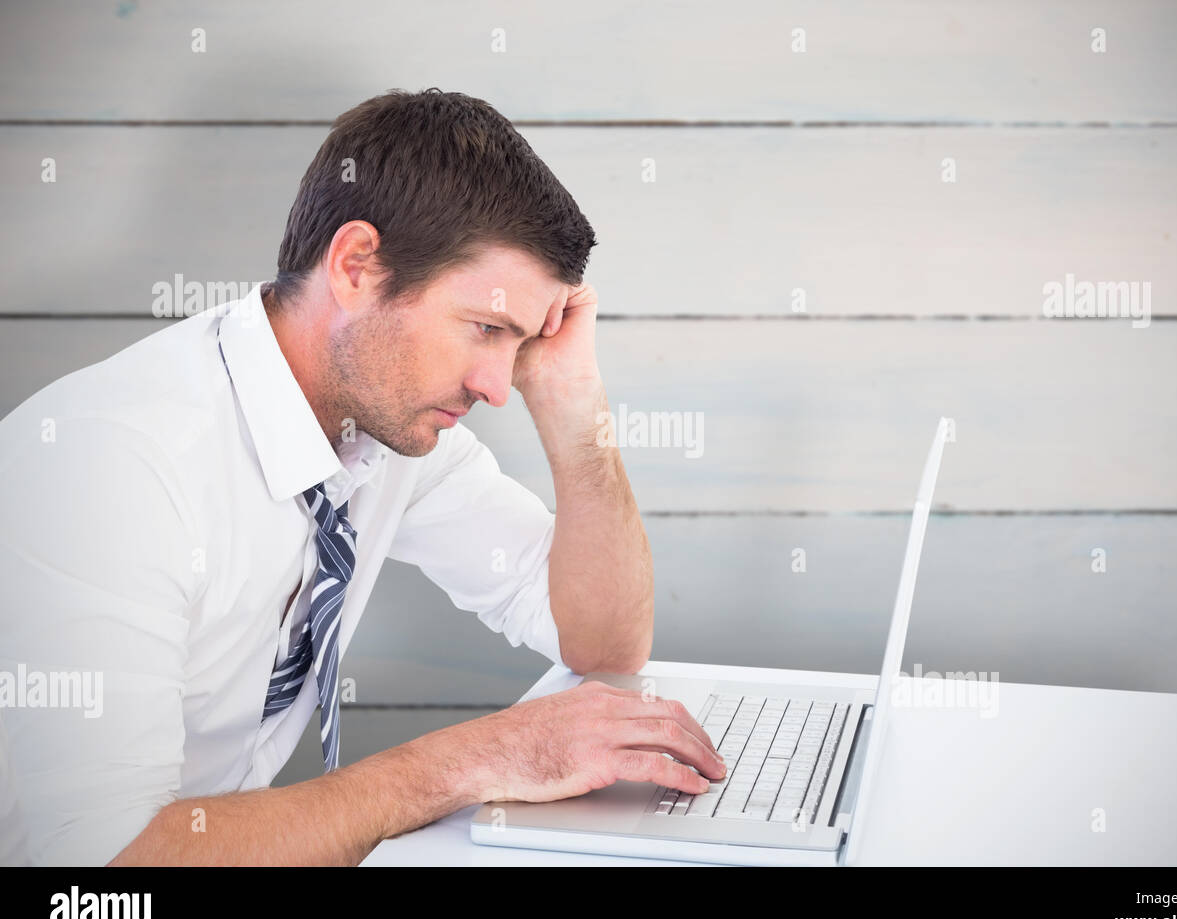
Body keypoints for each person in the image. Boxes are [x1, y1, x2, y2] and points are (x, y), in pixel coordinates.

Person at [0, 88, 725, 866]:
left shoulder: (385, 431)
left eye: (515, 344)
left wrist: (577, 413)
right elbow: (97, 879)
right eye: (485, 328)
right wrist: (474, 758)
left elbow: (603, 639)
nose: (497, 385)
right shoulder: (110, 468)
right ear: (355, 266)